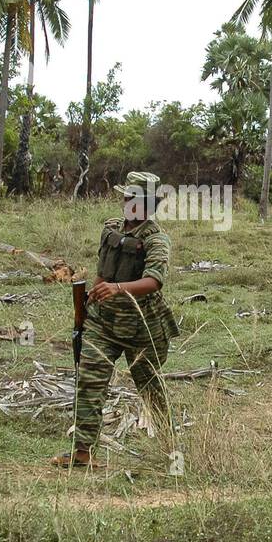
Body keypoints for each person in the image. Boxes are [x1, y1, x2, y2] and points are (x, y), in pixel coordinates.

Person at [54, 171, 180, 469]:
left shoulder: (156, 239)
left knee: (150, 388)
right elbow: (103, 271)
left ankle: (171, 448)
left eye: (132, 198)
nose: (126, 203)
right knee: (89, 383)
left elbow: (154, 281)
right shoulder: (111, 230)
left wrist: (118, 289)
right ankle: (83, 451)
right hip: (103, 322)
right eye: (125, 197)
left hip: (142, 326)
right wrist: (89, 302)